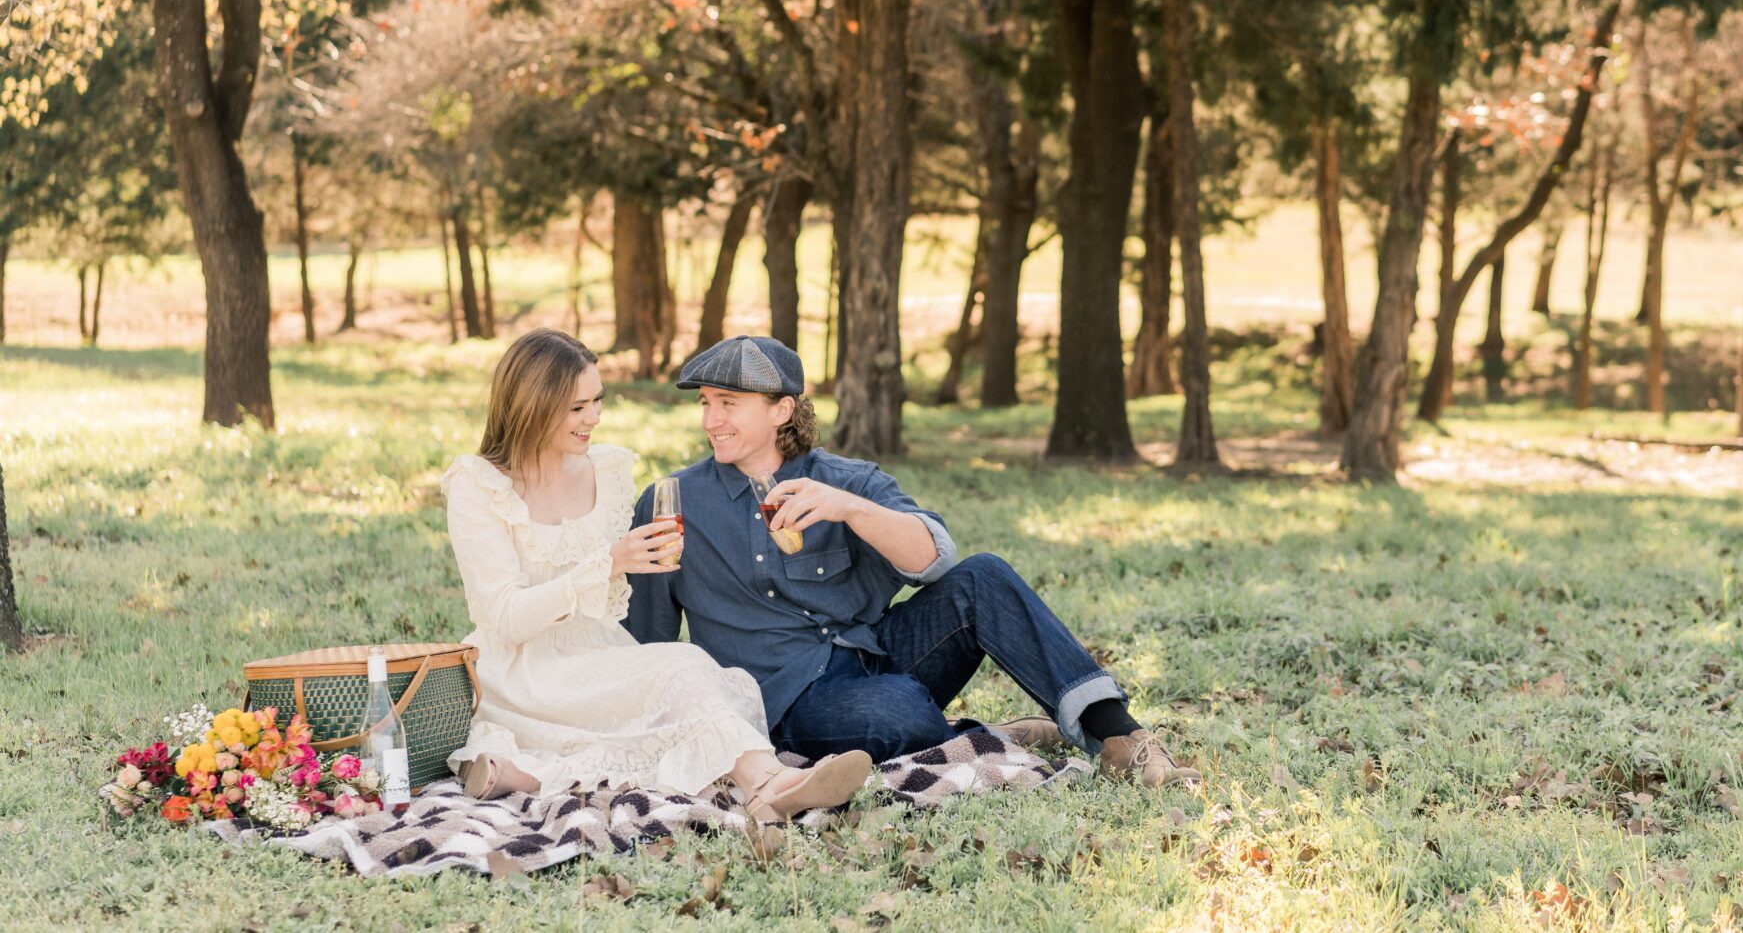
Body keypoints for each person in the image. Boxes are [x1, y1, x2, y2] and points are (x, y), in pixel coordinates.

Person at [625, 335, 1200, 787]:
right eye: (705, 403)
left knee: (984, 575)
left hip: (876, 655)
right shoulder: (673, 502)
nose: (710, 420)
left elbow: (935, 558)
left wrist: (849, 510)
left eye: (728, 403)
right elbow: (645, 641)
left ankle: (1120, 738)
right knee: (894, 712)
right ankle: (978, 734)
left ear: (782, 410)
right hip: (783, 696)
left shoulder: (846, 480)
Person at [440, 328, 874, 821]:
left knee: (693, 680)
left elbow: (614, 608)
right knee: (681, 669)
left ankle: (520, 774)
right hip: (519, 671)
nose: (594, 418)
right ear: (533, 406)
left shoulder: (606, 470)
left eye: (597, 401)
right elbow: (503, 618)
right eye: (577, 407)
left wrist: (649, 566)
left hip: (596, 655)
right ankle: (770, 783)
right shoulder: (478, 485)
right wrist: (609, 564)